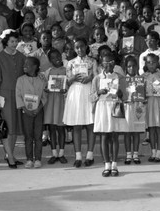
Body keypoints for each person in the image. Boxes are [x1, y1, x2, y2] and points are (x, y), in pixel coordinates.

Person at [0, 29, 27, 168]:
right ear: (6, 42)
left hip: (19, 95)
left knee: (15, 126)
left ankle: (9, 154)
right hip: (4, 95)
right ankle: (10, 157)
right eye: (11, 41)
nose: (14, 44)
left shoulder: (22, 57)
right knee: (7, 127)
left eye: (16, 41)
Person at [63, 37, 98, 167]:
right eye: (77, 47)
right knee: (76, 125)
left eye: (82, 46)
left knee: (90, 124)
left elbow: (96, 76)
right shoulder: (70, 63)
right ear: (74, 49)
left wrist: (90, 77)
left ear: (86, 46)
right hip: (75, 93)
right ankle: (78, 156)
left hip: (88, 91)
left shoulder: (92, 61)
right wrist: (73, 78)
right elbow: (67, 80)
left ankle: (90, 154)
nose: (79, 49)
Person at [91, 53, 125, 177]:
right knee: (104, 136)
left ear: (114, 63)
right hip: (102, 107)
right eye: (106, 63)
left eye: (111, 62)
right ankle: (107, 164)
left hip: (115, 106)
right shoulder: (97, 78)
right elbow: (91, 97)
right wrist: (99, 92)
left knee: (115, 136)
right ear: (101, 65)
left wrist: (120, 93)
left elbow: (126, 95)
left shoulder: (119, 77)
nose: (108, 65)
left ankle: (115, 164)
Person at [16, 56, 47, 168]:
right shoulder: (20, 80)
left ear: (35, 67)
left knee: (38, 136)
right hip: (26, 112)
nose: (24, 66)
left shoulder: (41, 80)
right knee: (28, 136)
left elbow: (44, 96)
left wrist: (39, 108)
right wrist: (25, 109)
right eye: (24, 64)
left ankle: (38, 159)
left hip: (38, 111)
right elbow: (18, 96)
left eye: (27, 64)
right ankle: (29, 159)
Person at [44, 49, 68, 164]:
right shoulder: (48, 72)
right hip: (51, 103)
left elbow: (69, 85)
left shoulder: (66, 70)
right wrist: (46, 89)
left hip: (61, 102)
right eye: (53, 57)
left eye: (58, 56)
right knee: (52, 128)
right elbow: (44, 86)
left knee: (61, 128)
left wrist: (65, 89)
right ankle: (54, 153)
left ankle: (62, 153)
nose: (56, 58)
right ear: (49, 60)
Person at [122, 56, 147, 165]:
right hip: (127, 107)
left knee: (136, 132)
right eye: (129, 66)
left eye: (133, 66)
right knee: (127, 132)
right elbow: (120, 95)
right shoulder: (123, 80)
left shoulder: (141, 79)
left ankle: (136, 154)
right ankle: (128, 155)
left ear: (137, 67)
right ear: (126, 68)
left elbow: (145, 93)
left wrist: (144, 98)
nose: (131, 68)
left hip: (138, 107)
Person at [143, 53, 160, 162]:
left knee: (159, 128)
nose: (151, 65)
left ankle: (159, 152)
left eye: (154, 62)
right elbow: (140, 90)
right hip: (148, 103)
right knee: (151, 128)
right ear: (146, 63)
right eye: (149, 62)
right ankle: (153, 152)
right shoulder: (143, 76)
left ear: (158, 63)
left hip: (158, 102)